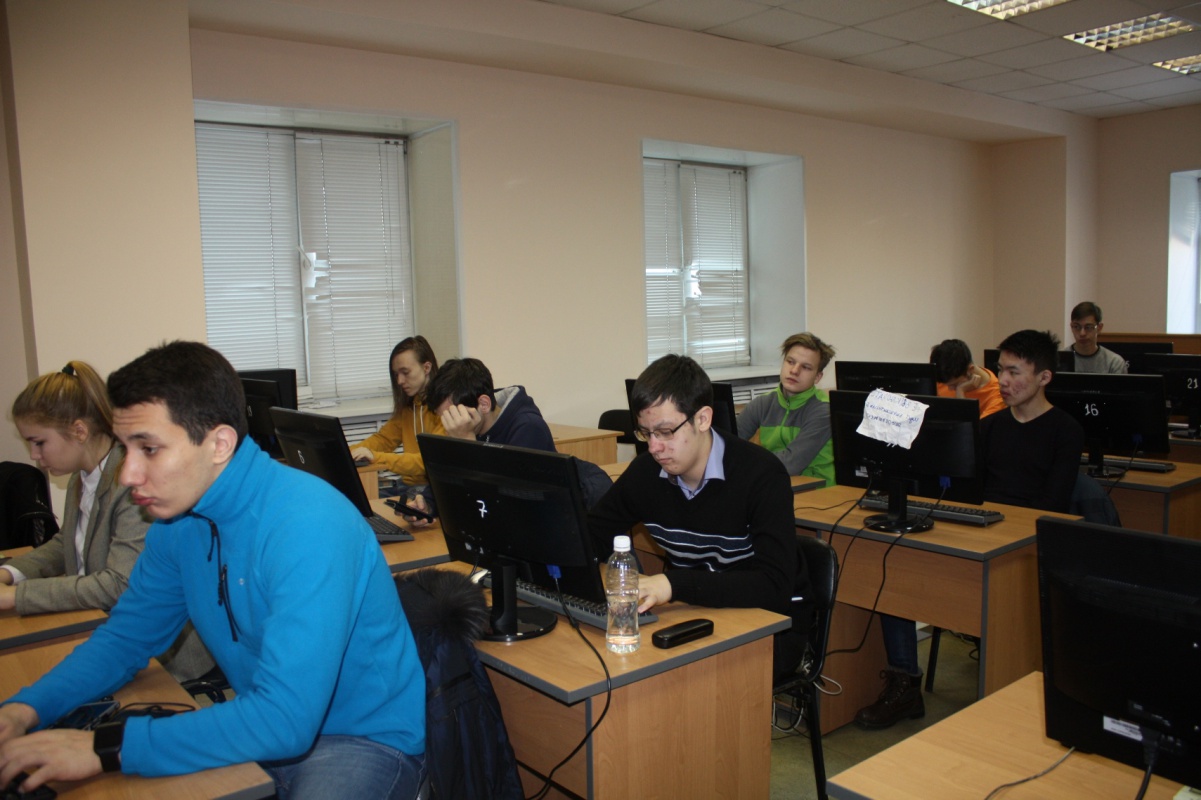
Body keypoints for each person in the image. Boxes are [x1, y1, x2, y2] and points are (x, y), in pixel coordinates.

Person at [0, 342, 425, 799]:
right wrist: (25, 710)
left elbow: (284, 719)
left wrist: (107, 747)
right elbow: (126, 639)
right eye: (126, 448)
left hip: (360, 738)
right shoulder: (177, 522)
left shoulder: (308, 524)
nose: (127, 474)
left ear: (219, 444)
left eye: (149, 448)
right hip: (264, 723)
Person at [855, 330, 1084, 730]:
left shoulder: (1065, 430)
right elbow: (965, 487)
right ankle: (905, 683)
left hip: (1024, 546)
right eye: (1001, 370)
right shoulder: (990, 426)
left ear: (1044, 377)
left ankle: (1006, 693)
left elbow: (1052, 506)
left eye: (1014, 372)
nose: (1003, 380)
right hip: (979, 530)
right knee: (896, 566)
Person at [588, 354, 809, 681]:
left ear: (703, 419)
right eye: (645, 433)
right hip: (692, 612)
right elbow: (592, 534)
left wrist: (673, 584)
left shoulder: (761, 476)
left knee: (661, 681)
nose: (654, 447)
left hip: (768, 625)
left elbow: (773, 586)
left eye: (665, 432)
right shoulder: (647, 473)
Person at [3, 362, 210, 682]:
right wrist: (9, 572)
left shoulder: (132, 484)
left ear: (79, 431)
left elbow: (118, 585)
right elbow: (66, 542)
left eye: (39, 442)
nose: (33, 455)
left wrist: (17, 596)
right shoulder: (82, 476)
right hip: (103, 623)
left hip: (160, 653)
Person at [350, 335, 446, 500]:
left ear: (426, 367)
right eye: (396, 375)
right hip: (406, 486)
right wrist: (345, 453)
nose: (400, 381)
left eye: (405, 372)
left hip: (429, 492)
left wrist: (375, 457)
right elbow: (383, 440)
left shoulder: (445, 409)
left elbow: (425, 462)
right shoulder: (409, 406)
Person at [736, 332, 836, 486]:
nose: (794, 371)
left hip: (818, 491)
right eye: (790, 362)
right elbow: (726, 443)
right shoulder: (762, 403)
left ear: (817, 377)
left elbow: (790, 464)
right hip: (775, 483)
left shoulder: (823, 411)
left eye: (806, 367)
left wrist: (744, 462)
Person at [423, 357, 554, 452]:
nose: (450, 426)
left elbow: (506, 482)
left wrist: (467, 442)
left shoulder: (529, 428)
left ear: (484, 404)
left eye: (454, 415)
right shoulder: (463, 429)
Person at [929, 339, 1006, 418]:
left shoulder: (997, 398)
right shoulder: (944, 375)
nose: (949, 389)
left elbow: (971, 426)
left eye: (954, 385)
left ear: (970, 370)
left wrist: (960, 392)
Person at [1069, 301, 1126, 374]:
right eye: (1076, 327)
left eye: (1088, 327)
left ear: (1099, 328)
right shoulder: (1059, 359)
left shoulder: (1113, 362)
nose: (1082, 333)